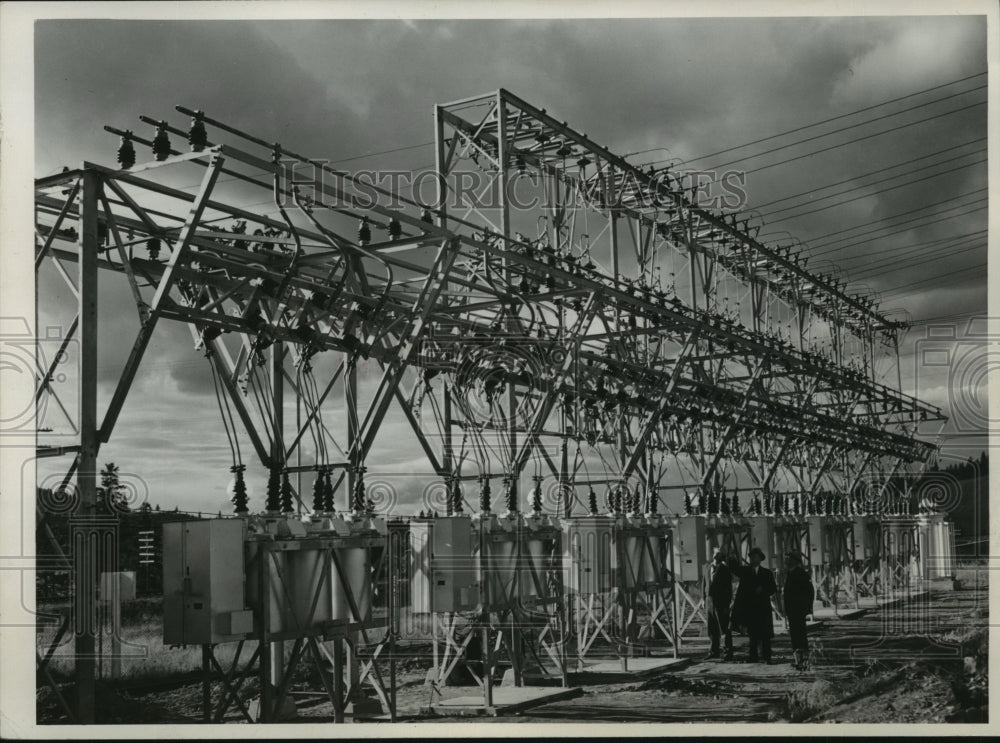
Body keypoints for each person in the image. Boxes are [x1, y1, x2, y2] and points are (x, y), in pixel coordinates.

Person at [730, 546, 776, 663]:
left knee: (765, 634)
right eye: (751, 557)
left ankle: (767, 657)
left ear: (760, 559)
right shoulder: (745, 571)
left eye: (756, 557)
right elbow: (734, 568)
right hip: (750, 608)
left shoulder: (767, 573)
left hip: (763, 608)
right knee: (752, 634)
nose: (753, 559)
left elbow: (773, 588)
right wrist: (730, 555)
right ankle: (753, 657)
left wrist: (763, 589)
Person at [782, 550, 815, 670]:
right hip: (792, 610)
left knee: (800, 635)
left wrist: (806, 608)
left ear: (794, 561)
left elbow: (810, 591)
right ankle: (798, 660)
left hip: (798, 610)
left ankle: (804, 661)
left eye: (788, 558)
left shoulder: (800, 573)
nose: (786, 561)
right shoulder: (790, 573)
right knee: (795, 635)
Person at [702, 548, 734, 660]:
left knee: (723, 627)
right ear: (713, 555)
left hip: (721, 602)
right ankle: (713, 651)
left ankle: (727, 653)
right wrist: (703, 599)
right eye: (715, 553)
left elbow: (729, 589)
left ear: (722, 556)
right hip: (709, 601)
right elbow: (704, 584)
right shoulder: (707, 568)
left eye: (719, 554)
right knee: (712, 628)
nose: (716, 556)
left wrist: (727, 605)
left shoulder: (725, 570)